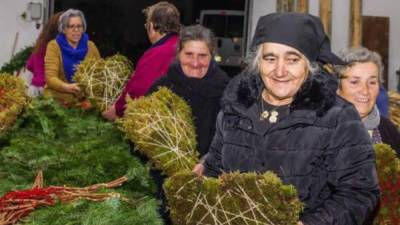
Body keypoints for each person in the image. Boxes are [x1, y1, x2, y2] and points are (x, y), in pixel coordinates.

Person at [203, 12, 380, 225]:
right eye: (270, 58)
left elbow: (359, 193)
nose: (280, 71)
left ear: (309, 64)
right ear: (258, 63)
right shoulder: (235, 109)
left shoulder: (337, 117)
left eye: (292, 59)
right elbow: (214, 168)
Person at [146, 24, 230, 225]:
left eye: (203, 55)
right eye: (189, 54)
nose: (195, 62)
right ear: (178, 54)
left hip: (211, 181)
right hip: (165, 181)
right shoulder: (161, 88)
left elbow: (232, 137)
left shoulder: (227, 90)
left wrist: (207, 163)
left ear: (212, 57)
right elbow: (144, 136)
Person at [102, 1, 180, 120]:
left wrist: (117, 110)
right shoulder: (184, 45)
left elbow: (138, 90)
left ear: (152, 26)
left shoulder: (158, 53)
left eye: (146, 25)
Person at [336, 47, 400, 156]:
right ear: (337, 87)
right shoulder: (318, 131)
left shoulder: (388, 130)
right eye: (354, 82)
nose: (365, 91)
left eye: (372, 82)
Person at [44, 9, 100, 105]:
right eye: (71, 26)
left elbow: (99, 73)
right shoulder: (54, 46)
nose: (76, 30)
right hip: (58, 102)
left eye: (79, 26)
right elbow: (50, 78)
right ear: (64, 29)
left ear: (83, 28)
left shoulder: (91, 46)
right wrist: (67, 87)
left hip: (84, 104)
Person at [26, 11, 63, 97]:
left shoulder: (41, 44)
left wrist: (38, 73)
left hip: (35, 88)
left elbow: (29, 65)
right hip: (49, 89)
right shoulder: (57, 46)